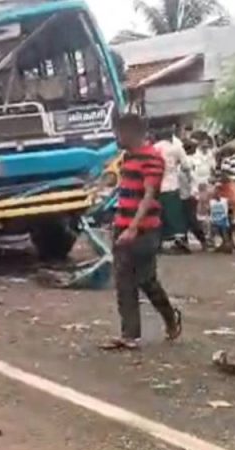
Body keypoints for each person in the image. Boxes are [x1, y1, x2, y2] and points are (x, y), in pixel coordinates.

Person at [101, 114, 182, 351]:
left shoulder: (152, 158)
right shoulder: (128, 157)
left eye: (118, 133)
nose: (116, 137)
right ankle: (130, 335)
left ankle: (170, 317)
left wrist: (133, 228)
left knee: (146, 280)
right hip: (123, 227)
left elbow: (149, 195)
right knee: (124, 282)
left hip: (144, 230)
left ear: (130, 133)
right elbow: (125, 187)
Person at [154, 126, 191, 249]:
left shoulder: (155, 148)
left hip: (157, 187)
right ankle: (179, 241)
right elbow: (186, 166)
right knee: (175, 215)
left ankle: (157, 242)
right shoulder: (177, 147)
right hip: (172, 186)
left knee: (159, 216)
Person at [180, 141, 209, 249]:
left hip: (188, 194)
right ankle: (184, 241)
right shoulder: (188, 160)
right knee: (186, 219)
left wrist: (193, 191)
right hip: (187, 193)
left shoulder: (187, 161)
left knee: (191, 219)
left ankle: (202, 240)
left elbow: (192, 178)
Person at [209, 186, 234, 253]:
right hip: (215, 221)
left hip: (223, 221)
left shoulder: (225, 200)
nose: (216, 193)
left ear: (221, 193)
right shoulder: (211, 201)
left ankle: (228, 248)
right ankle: (219, 247)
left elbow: (232, 203)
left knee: (225, 235)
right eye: (215, 192)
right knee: (217, 236)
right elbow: (209, 210)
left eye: (218, 192)